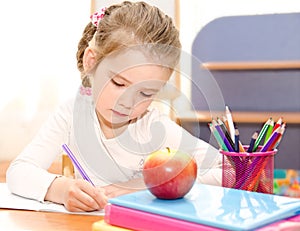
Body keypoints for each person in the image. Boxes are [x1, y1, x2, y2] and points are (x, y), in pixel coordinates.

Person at [7, 1, 222, 212]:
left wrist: (144, 187)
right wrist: (60, 189)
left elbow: (227, 169)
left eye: (146, 93)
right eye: (119, 83)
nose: (128, 103)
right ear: (92, 61)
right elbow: (19, 171)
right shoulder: (71, 114)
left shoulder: (151, 126)